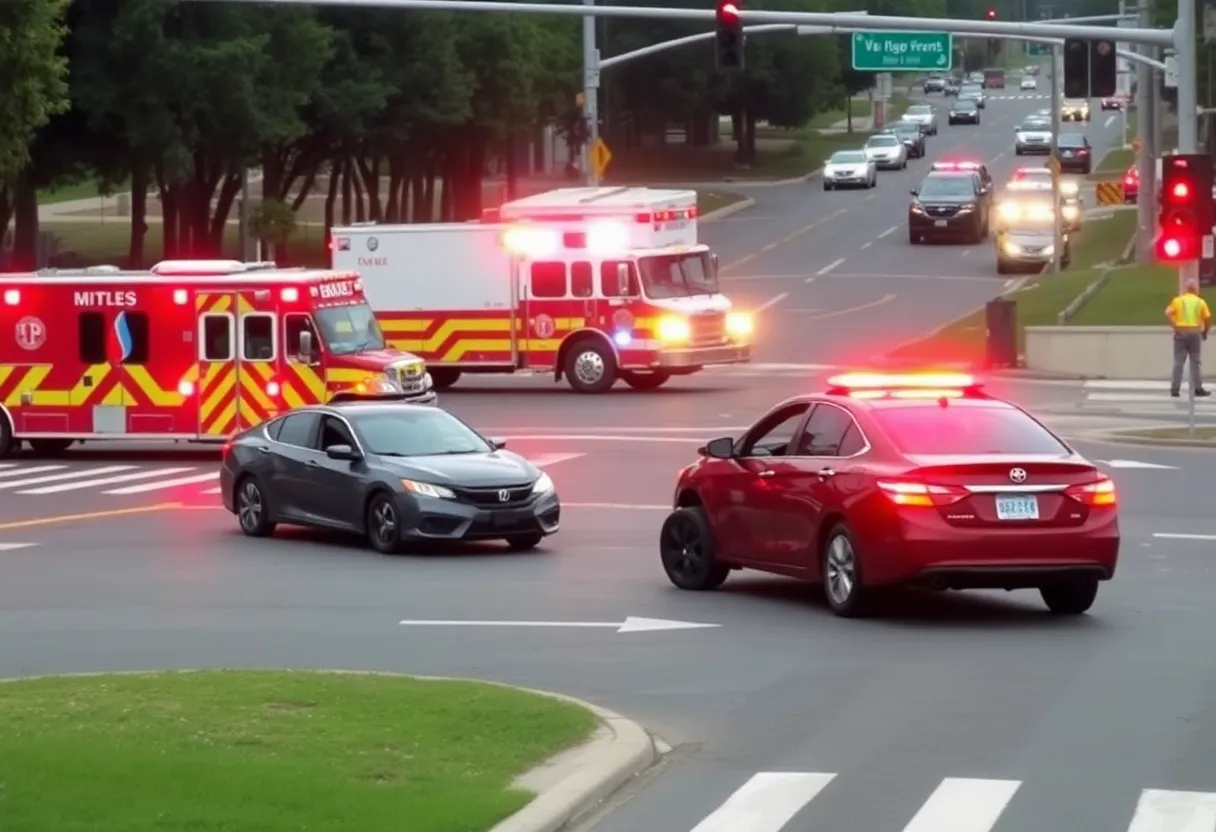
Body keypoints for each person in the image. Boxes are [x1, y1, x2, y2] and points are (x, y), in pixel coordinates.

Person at [1165, 280, 1212, 398]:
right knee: (1195, 362)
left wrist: (1175, 325)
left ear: (1186, 289)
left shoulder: (1178, 300)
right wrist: (1205, 332)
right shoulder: (1200, 302)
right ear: (1195, 289)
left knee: (1178, 362)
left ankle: (1175, 389)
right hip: (1195, 332)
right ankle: (1198, 388)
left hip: (1181, 332)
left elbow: (1167, 313)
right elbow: (1207, 319)